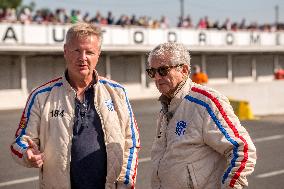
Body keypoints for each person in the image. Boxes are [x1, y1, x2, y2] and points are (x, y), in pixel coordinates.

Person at [10, 22, 140, 189]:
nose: (83, 58)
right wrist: (26, 153)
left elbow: (132, 141)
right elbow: (20, 141)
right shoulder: (41, 96)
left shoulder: (118, 93)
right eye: (77, 50)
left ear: (98, 54)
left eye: (90, 52)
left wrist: (126, 182)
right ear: (65, 51)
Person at [146, 42, 256, 189]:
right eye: (152, 72)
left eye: (163, 70)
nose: (157, 77)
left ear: (184, 70)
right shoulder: (166, 108)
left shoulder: (206, 103)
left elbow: (243, 149)